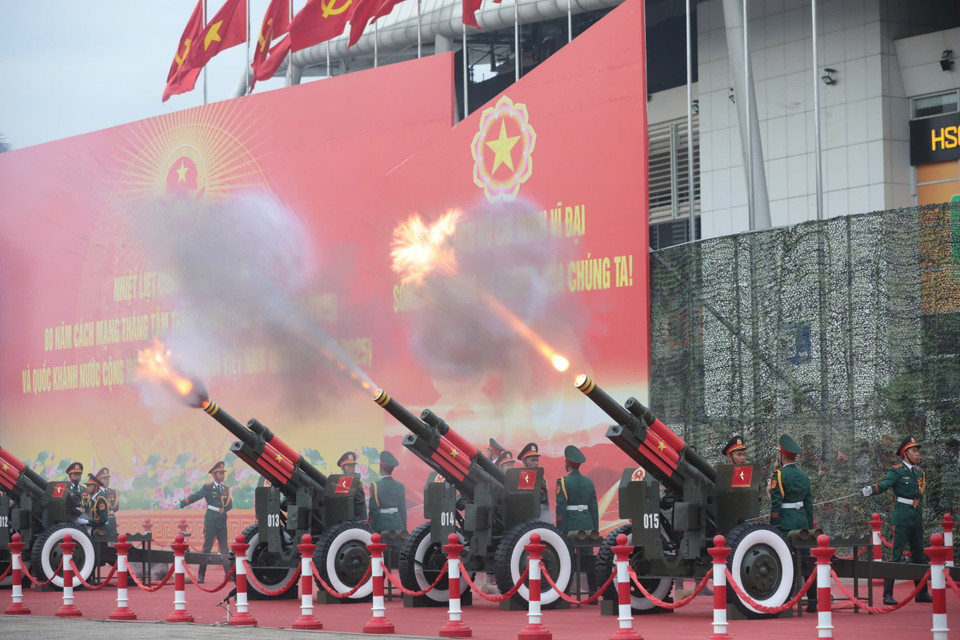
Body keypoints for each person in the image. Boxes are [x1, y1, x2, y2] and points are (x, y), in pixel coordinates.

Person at [861, 436, 933, 605]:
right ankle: (887, 595)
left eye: (918, 451)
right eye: (914, 451)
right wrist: (870, 490)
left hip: (916, 515)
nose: (918, 454)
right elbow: (885, 484)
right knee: (896, 555)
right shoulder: (897, 470)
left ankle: (921, 592)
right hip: (901, 516)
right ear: (905, 453)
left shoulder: (919, 472)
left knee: (919, 556)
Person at [769, 434, 816, 613]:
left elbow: (776, 504)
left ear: (782, 456)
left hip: (786, 523)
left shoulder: (778, 475)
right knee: (807, 562)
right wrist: (810, 526)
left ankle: (787, 599)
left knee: (786, 561)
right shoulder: (804, 475)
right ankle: (812, 601)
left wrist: (774, 526)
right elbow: (809, 503)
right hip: (803, 521)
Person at [175, 461, 232, 584]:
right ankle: (201, 575)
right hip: (211, 521)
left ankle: (228, 575)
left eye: (223, 473)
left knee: (225, 550)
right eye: (220, 473)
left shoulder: (226, 489)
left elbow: (229, 505)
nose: (222, 475)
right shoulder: (207, 487)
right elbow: (196, 496)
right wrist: (182, 503)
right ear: (214, 474)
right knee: (206, 549)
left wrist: (224, 509)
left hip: (222, 521)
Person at [555, 445, 598, 597]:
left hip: (570, 525)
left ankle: (566, 592)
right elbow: (594, 508)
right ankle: (593, 593)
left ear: (566, 464)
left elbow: (561, 508)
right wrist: (595, 528)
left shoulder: (563, 482)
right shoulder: (589, 482)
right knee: (589, 557)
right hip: (587, 523)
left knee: (567, 557)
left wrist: (560, 531)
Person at [369, 451, 407, 534]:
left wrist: (371, 527)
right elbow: (403, 510)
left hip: (381, 524)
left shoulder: (375, 486)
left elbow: (373, 511)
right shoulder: (400, 486)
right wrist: (404, 526)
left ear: (381, 467)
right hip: (398, 523)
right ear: (392, 469)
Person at [519, 442, 550, 522]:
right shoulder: (519, 479)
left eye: (537, 460)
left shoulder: (542, 479)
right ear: (524, 462)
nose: (536, 463)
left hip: (541, 518)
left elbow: (546, 504)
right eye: (533, 460)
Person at [337, 451, 367, 520]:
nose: (352, 468)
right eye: (349, 466)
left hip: (356, 521)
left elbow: (362, 508)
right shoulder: (339, 483)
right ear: (342, 467)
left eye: (353, 466)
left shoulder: (358, 483)